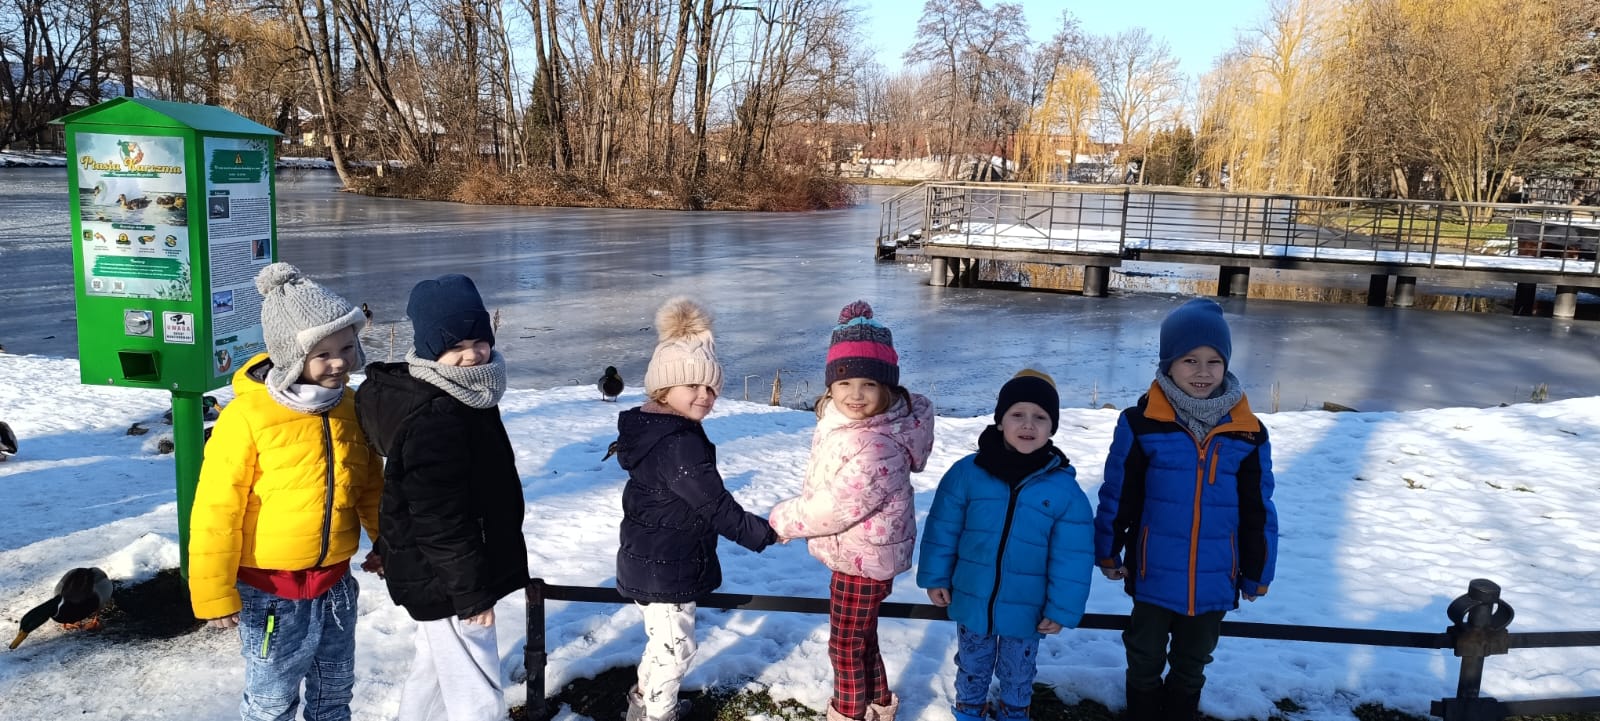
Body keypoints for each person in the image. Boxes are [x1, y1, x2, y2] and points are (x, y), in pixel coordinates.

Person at [188, 262, 383, 721]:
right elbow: (217, 509)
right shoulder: (248, 417)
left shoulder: (350, 407)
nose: (340, 362)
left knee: (334, 692)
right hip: (269, 590)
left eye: (347, 347)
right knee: (272, 699)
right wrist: (214, 591)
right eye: (323, 354)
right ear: (291, 356)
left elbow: (370, 486)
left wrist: (388, 543)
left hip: (336, 585)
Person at [354, 274, 530, 721]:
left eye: (479, 341)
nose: (472, 354)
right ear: (432, 351)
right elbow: (438, 518)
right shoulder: (439, 415)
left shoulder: (466, 393)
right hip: (447, 575)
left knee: (438, 665)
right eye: (455, 346)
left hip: (443, 567)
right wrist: (471, 594)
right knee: (474, 678)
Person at [1093, 298, 1279, 721]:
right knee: (1144, 653)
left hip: (1216, 573)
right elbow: (1119, 494)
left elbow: (1258, 509)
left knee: (1194, 659)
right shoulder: (1141, 423)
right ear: (1168, 364)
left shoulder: (1248, 433)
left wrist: (1258, 570)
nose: (1203, 372)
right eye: (1190, 360)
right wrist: (1108, 549)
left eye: (1214, 361)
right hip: (1153, 570)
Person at [613, 297, 779, 721]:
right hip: (663, 565)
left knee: (664, 644)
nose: (705, 396)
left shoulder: (657, 430)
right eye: (693, 386)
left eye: (711, 388)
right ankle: (658, 715)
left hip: (653, 558)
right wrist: (763, 532)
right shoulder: (678, 443)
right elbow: (714, 504)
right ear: (663, 389)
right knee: (676, 650)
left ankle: (644, 703)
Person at [770, 300, 935, 721]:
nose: (855, 395)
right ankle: (878, 703)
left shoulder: (877, 443)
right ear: (830, 387)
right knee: (863, 638)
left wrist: (783, 520)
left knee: (844, 645)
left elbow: (838, 506)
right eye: (844, 383)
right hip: (860, 553)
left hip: (863, 559)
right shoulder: (852, 424)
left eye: (868, 384)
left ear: (887, 389)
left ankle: (848, 713)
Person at [917, 369, 1094, 721]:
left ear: (1052, 427)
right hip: (972, 596)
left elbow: (1072, 558)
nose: (1028, 424)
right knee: (972, 663)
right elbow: (943, 529)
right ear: (1000, 421)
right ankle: (969, 711)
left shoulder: (1063, 490)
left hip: (1028, 606)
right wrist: (936, 577)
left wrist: (1061, 608)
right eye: (1017, 414)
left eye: (1040, 417)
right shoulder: (967, 473)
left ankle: (1014, 712)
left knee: (1018, 669)